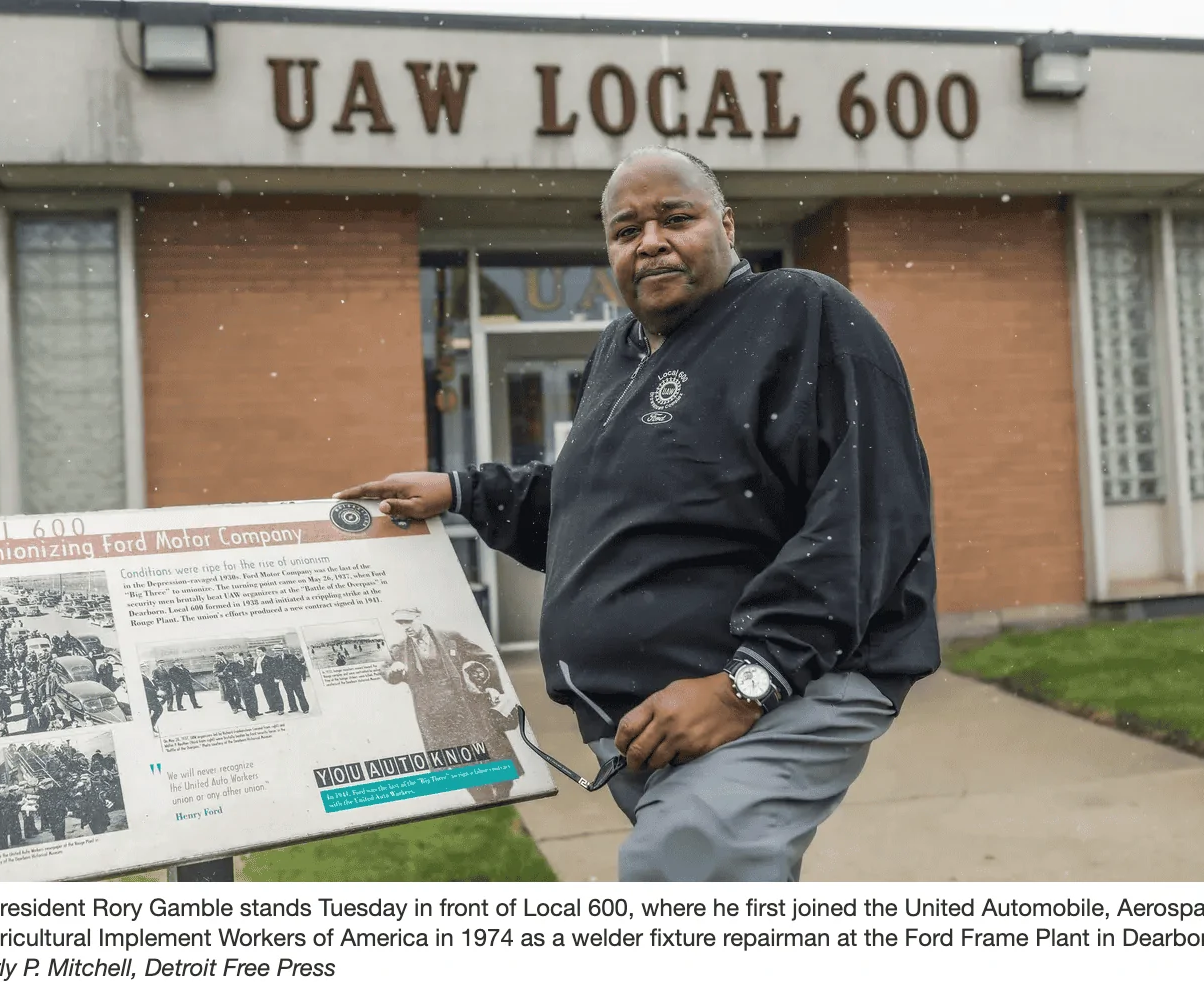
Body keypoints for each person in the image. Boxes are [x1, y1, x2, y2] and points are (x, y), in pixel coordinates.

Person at [336, 147, 938, 881]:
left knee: (675, 874)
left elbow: (871, 510)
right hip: (641, 728)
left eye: (675, 218)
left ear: (727, 223)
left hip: (780, 694)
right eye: (626, 231)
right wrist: (460, 491)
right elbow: (585, 505)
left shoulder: (801, 311)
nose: (650, 241)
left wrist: (748, 682)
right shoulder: (619, 353)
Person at [379, 608, 519, 805]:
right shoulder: (401, 649)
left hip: (469, 710)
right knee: (461, 763)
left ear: (419, 617)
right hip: (437, 717)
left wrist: (491, 687)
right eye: (400, 623)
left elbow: (485, 658)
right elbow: (386, 669)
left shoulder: (449, 637)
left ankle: (503, 794)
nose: (405, 627)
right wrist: (393, 671)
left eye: (408, 621)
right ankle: (484, 802)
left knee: (493, 755)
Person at [278, 648, 310, 714]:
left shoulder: (291, 656)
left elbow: (298, 666)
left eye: (277, 650)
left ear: (281, 650)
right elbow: (277, 669)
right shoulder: (276, 659)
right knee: (289, 694)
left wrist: (296, 674)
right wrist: (281, 677)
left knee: (300, 694)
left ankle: (305, 708)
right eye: (275, 651)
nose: (276, 652)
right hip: (285, 680)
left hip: (295, 679)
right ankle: (293, 708)